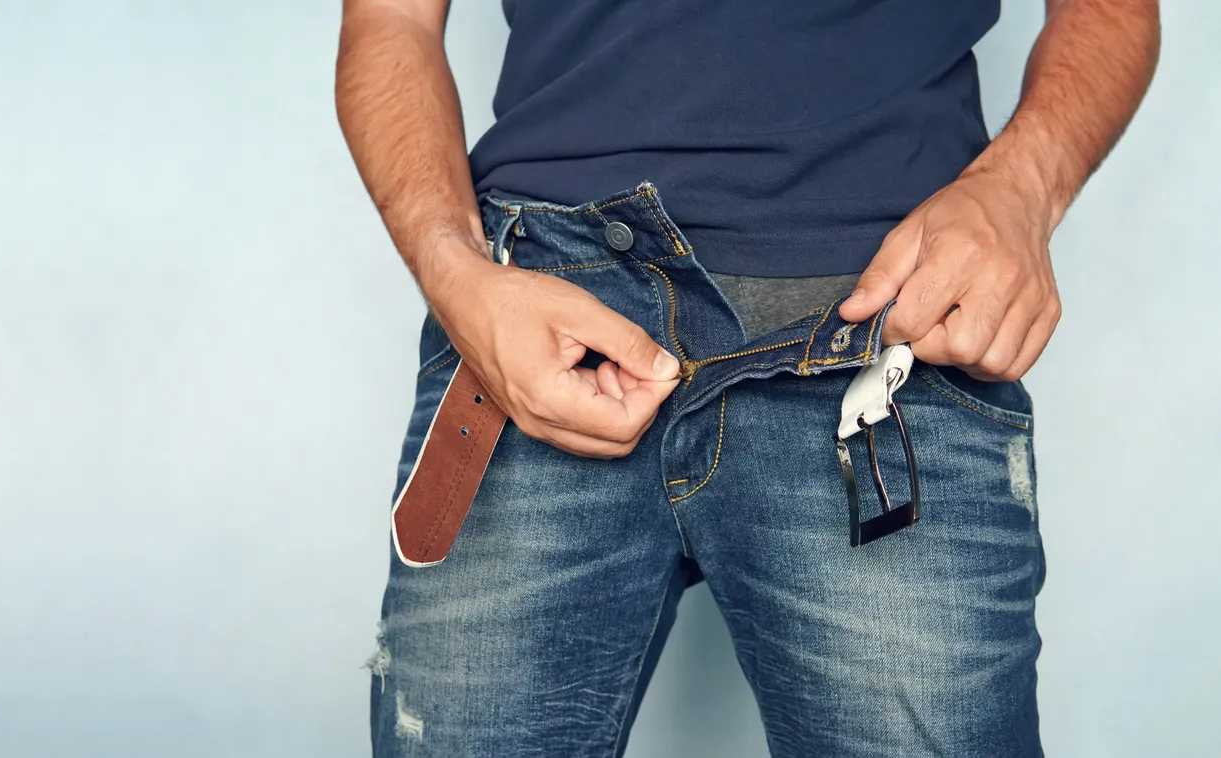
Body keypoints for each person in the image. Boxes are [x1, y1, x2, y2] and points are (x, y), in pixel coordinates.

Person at [336, 1, 1159, 754]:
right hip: (542, 319)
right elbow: (392, 17)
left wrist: (1020, 190)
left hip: (887, 321)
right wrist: (454, 273)